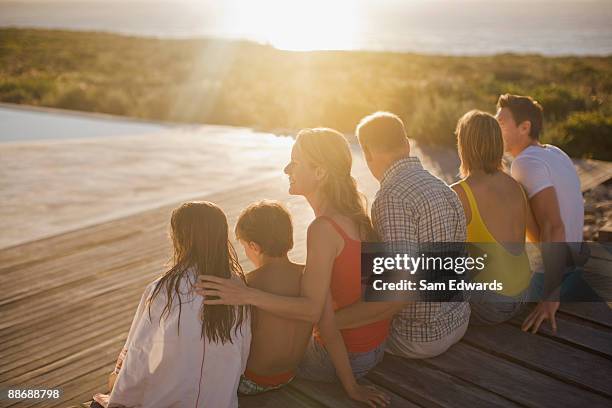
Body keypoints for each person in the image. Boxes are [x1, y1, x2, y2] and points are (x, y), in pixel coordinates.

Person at [196, 128, 390, 407]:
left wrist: (246, 294)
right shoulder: (356, 217)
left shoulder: (323, 229)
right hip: (374, 347)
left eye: (295, 162)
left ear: (320, 172)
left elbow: (313, 311)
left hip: (342, 358)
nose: (287, 168)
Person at [334, 111, 470, 359]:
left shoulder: (391, 198)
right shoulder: (442, 187)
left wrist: (328, 322)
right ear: (407, 144)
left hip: (418, 336)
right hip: (458, 321)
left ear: (368, 153)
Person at [92, 201, 251, 408]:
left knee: (105, 396)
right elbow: (242, 354)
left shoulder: (164, 290)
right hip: (220, 401)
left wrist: (118, 395)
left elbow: (140, 353)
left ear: (179, 238)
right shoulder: (236, 286)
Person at [496, 94, 590, 334]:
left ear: (524, 127)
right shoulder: (555, 152)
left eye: (501, 123)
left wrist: (550, 295)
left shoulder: (526, 163)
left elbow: (554, 226)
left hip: (552, 277)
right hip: (574, 269)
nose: (495, 129)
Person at [450, 110, 535, 325]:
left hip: (493, 303)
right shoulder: (514, 184)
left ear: (464, 145)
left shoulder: (460, 192)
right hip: (524, 291)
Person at [233, 200, 312, 395]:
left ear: (254, 246)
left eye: (245, 246)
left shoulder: (248, 284)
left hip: (253, 381)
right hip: (289, 375)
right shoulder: (308, 276)